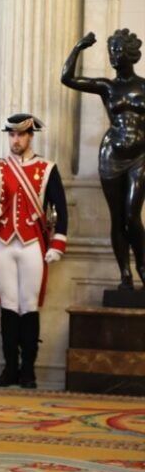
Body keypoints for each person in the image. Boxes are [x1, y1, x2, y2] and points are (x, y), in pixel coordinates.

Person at [0, 114, 68, 389]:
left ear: (30, 136)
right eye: (11, 135)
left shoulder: (46, 168)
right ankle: (10, 368)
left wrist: (58, 243)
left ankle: (28, 371)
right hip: (4, 243)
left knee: (29, 306)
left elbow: (62, 208)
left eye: (20, 135)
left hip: (33, 243)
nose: (15, 140)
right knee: (9, 306)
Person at [61, 29, 145, 289]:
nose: (114, 56)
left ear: (131, 54)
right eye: (112, 51)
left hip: (140, 157)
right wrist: (78, 47)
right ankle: (125, 275)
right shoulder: (108, 87)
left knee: (132, 216)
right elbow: (68, 78)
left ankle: (142, 267)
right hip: (112, 157)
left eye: (118, 51)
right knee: (117, 217)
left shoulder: (143, 86)